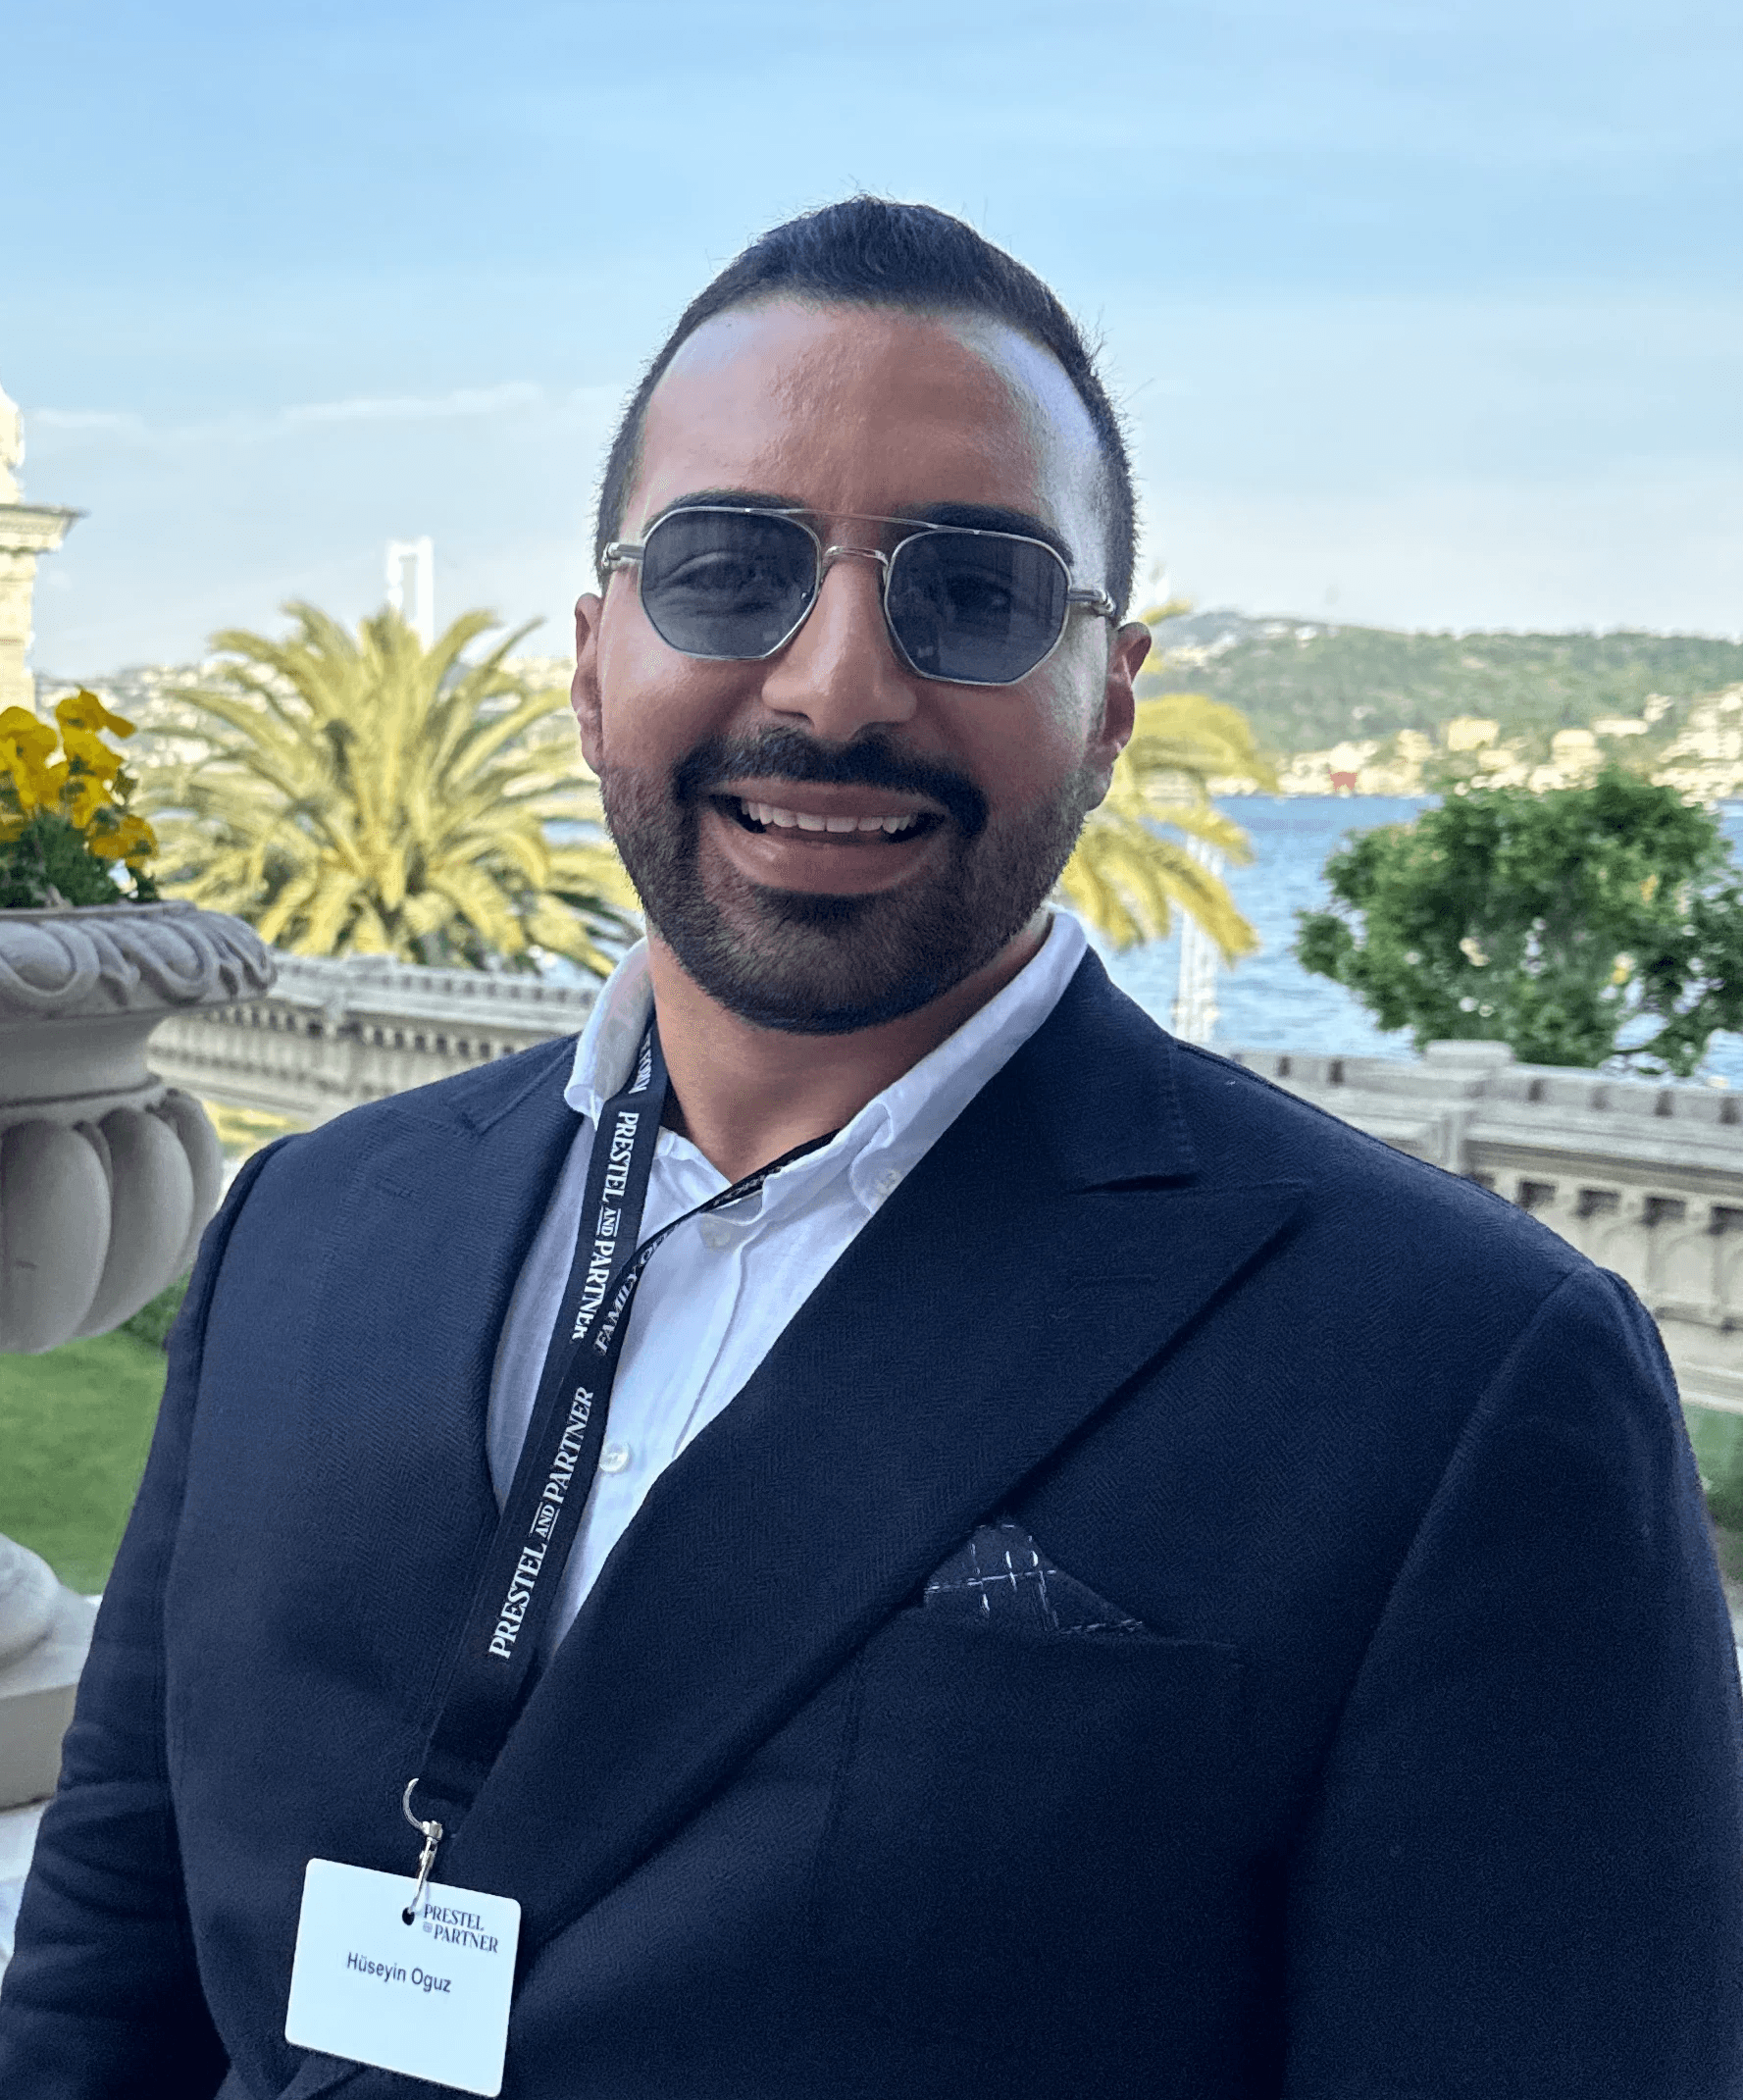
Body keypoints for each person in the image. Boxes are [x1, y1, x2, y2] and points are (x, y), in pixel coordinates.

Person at [2, 198, 1739, 2100]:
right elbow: (106, 1974)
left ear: (1113, 701)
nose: (835, 687)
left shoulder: (1462, 1379)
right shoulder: (309, 1229)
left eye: (975, 591)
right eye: (732, 571)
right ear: (592, 657)